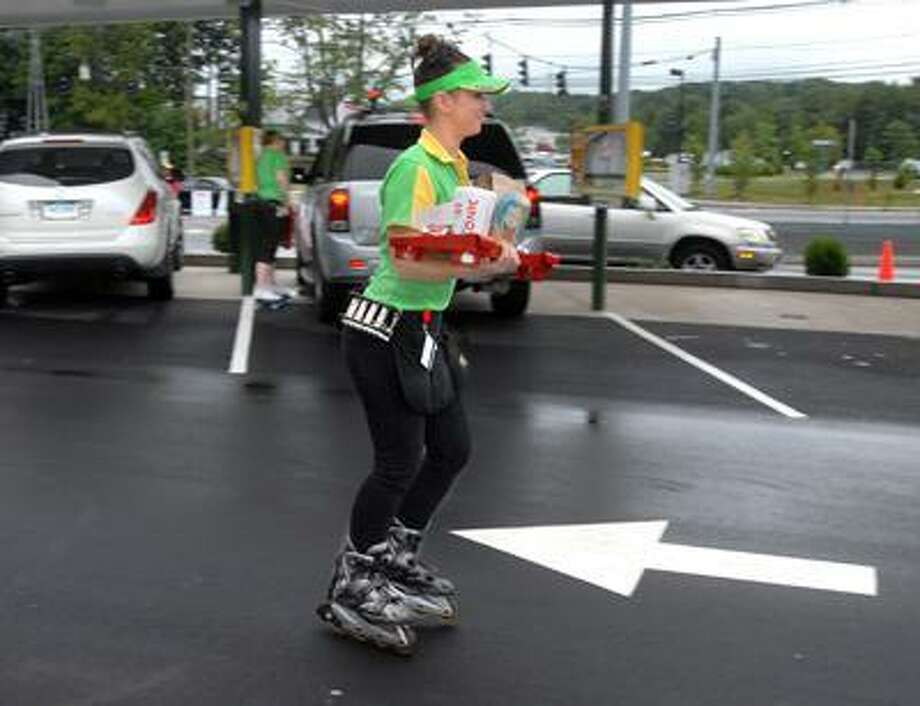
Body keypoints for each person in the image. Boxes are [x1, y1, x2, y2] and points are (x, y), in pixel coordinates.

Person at [315, 35, 519, 655]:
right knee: (398, 463)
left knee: (451, 450)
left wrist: (499, 230)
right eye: (477, 95)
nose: (485, 105)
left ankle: (394, 562)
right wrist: (482, 267)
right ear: (445, 99)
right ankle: (354, 580)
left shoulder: (455, 166)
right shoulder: (413, 168)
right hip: (383, 328)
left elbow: (498, 203)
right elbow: (407, 264)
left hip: (425, 328)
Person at [254, 130, 295, 303]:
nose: (284, 143)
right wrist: (287, 202)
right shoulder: (278, 156)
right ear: (276, 140)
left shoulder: (261, 157)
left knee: (268, 245)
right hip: (274, 203)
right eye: (282, 139)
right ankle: (262, 287)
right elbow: (281, 179)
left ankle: (270, 285)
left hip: (261, 203)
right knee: (269, 246)